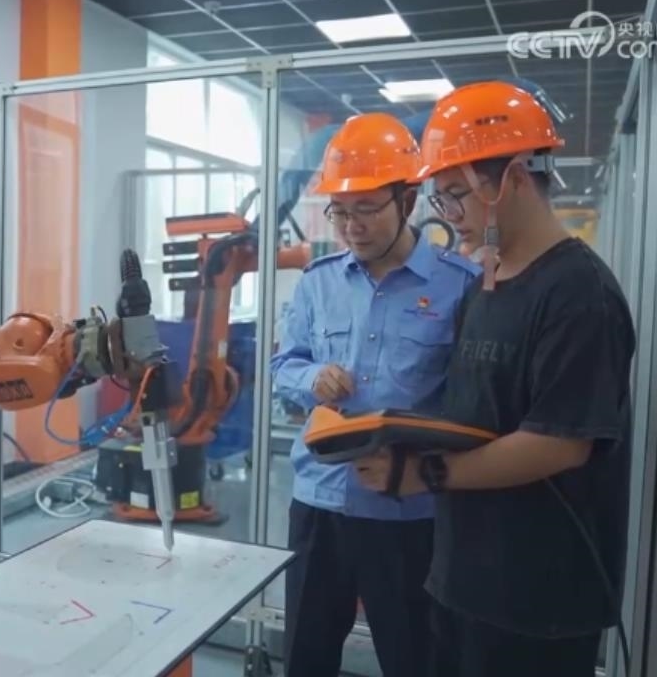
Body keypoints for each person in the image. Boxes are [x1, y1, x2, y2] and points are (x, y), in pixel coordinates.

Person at [353, 81, 636, 677]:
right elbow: (480, 411)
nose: (447, 215)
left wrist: (424, 473)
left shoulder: (578, 293)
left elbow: (559, 443)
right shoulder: (487, 284)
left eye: (455, 195)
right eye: (440, 199)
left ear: (512, 178)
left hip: (538, 597)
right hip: (463, 578)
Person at [271, 112, 480, 677]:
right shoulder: (318, 282)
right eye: (340, 211)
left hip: (406, 511)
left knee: (415, 657)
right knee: (306, 655)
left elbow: (471, 406)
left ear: (406, 200)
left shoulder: (459, 287)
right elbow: (282, 366)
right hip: (319, 504)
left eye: (366, 209)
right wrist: (311, 379)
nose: (351, 226)